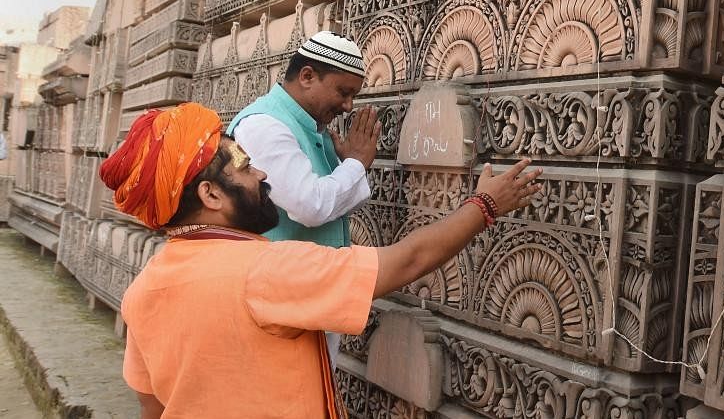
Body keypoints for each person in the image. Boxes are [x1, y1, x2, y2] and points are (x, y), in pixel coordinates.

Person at [100, 102, 540, 418]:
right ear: (210, 194)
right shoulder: (263, 271)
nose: (263, 175)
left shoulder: (144, 289)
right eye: (245, 168)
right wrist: (485, 205)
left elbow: (151, 407)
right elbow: (407, 262)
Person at [227, 30, 378, 371]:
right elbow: (311, 206)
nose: (348, 106)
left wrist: (346, 164)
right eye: (343, 92)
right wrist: (355, 163)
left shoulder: (310, 128)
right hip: (281, 300)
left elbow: (334, 202)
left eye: (353, 96)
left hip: (306, 295)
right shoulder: (266, 126)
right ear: (308, 76)